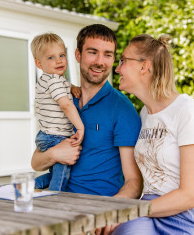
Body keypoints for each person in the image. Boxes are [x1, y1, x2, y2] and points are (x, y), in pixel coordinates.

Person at [98, 34, 194, 234]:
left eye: (123, 61)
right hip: (148, 211)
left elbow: (190, 195)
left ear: (144, 66)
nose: (117, 68)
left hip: (187, 214)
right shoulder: (144, 114)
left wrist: (132, 210)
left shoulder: (188, 111)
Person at [31, 24, 143, 198]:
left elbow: (134, 183)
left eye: (107, 55)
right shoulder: (61, 99)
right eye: (92, 52)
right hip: (56, 205)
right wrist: (54, 154)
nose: (100, 61)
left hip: (96, 209)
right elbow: (36, 162)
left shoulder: (122, 108)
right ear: (78, 55)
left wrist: (109, 215)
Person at [31, 33, 84, 191]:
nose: (59, 60)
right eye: (51, 58)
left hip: (46, 135)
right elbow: (66, 105)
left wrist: (73, 87)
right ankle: (54, 199)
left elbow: (64, 86)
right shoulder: (54, 81)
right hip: (55, 136)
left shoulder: (50, 79)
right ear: (39, 64)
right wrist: (80, 127)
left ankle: (32, 185)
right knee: (62, 175)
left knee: (58, 172)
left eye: (62, 55)